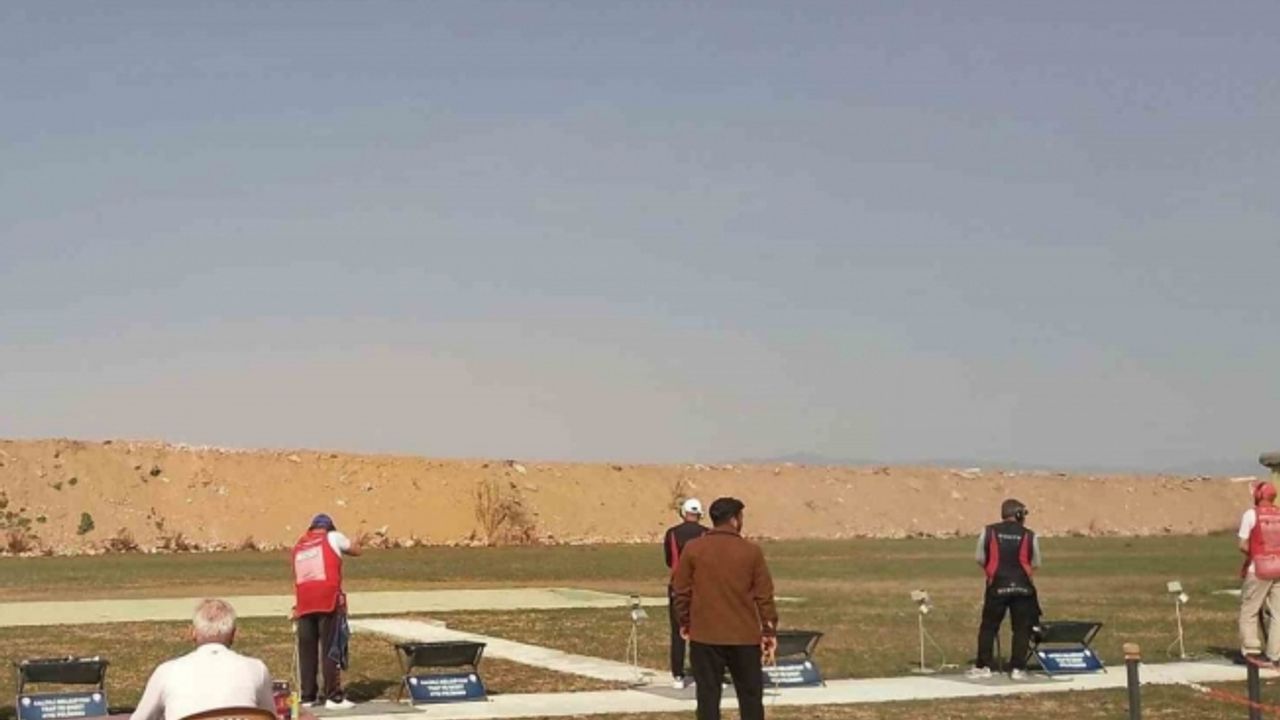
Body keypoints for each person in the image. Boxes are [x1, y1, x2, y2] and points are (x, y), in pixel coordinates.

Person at [672, 497, 778, 720]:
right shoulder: (751, 551)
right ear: (734, 519)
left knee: (707, 697)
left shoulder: (693, 549)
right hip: (744, 637)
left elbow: (681, 590)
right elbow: (764, 596)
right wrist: (768, 630)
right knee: (750, 697)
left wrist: (685, 621)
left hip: (705, 636)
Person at [131, 599, 275, 720]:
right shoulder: (257, 669)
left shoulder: (166, 672)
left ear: (193, 633)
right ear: (233, 634)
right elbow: (269, 716)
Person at [293, 513, 362, 709]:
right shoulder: (333, 537)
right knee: (331, 648)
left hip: (304, 603)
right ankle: (334, 696)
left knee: (307, 652)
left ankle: (308, 696)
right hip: (327, 601)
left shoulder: (299, 545)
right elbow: (355, 550)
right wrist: (359, 540)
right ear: (329, 527)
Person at [968, 498, 1042, 681]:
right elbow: (1036, 562)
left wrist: (993, 571)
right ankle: (1017, 668)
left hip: (996, 585)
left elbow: (979, 558)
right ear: (1018, 514)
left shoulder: (988, 531)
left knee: (989, 627)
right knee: (1021, 629)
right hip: (1023, 588)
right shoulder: (1029, 535)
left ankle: (983, 666)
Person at [663, 497, 708, 689]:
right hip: (701, 587)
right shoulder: (707, 533)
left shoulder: (672, 533)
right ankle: (704, 672)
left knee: (678, 632)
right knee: (704, 632)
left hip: (677, 587)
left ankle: (678, 675)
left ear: (683, 513)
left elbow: (668, 560)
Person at [1238, 481, 1280, 666]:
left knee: (1249, 611)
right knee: (1278, 614)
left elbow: (1242, 544)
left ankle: (1252, 651)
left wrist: (1257, 554)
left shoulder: (1251, 514)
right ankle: (1275, 655)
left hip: (1259, 569)